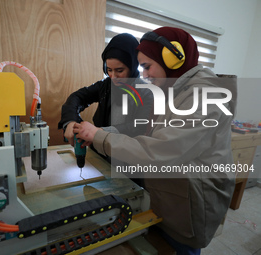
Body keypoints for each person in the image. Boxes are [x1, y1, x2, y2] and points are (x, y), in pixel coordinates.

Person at [73, 27, 237, 254]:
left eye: (147, 67)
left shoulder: (203, 96)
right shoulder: (176, 89)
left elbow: (160, 151)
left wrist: (99, 136)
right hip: (170, 194)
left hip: (191, 202)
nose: (145, 75)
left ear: (174, 59)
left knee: (179, 248)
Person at [58, 33, 153, 147]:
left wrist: (98, 133)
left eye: (119, 70)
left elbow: (138, 127)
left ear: (132, 66)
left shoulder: (146, 92)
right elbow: (77, 97)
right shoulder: (106, 85)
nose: (113, 76)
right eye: (109, 70)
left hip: (125, 158)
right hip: (100, 150)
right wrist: (71, 121)